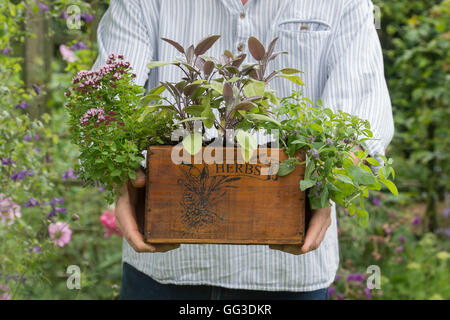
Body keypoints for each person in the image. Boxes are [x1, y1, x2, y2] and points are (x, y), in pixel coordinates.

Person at [92, 0, 394, 300]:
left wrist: (330, 180)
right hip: (162, 268)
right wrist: (123, 180)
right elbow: (109, 98)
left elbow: (362, 114)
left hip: (289, 272)